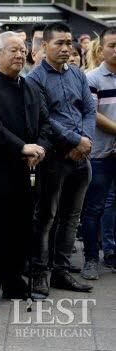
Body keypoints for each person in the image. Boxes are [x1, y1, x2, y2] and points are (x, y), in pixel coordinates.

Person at [0, 32, 52, 309]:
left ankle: (13, 280)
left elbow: (45, 123)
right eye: (14, 50)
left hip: (29, 171)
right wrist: (23, 148)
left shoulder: (30, 87)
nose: (20, 55)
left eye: (23, 50)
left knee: (22, 229)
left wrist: (39, 148)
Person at [27, 22, 96, 297]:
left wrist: (85, 142)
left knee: (71, 218)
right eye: (60, 43)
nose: (67, 48)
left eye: (69, 42)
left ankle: (62, 271)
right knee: (46, 217)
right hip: (54, 158)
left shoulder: (78, 75)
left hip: (81, 158)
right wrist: (75, 141)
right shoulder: (35, 79)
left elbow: (89, 110)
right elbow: (46, 120)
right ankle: (38, 273)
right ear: (44, 46)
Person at [80, 27, 116, 280]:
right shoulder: (92, 78)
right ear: (101, 49)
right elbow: (93, 113)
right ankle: (91, 258)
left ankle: (111, 253)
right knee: (93, 208)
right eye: (112, 45)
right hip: (100, 154)